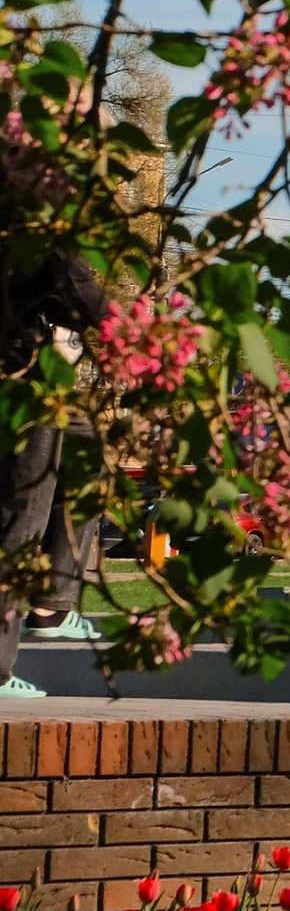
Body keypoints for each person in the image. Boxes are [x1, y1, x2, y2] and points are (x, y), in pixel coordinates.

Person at [0, 248, 108, 699]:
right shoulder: (38, 220)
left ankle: (53, 606)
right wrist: (130, 328)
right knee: (25, 509)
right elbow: (77, 282)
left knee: (88, 459)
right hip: (28, 368)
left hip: (43, 369)